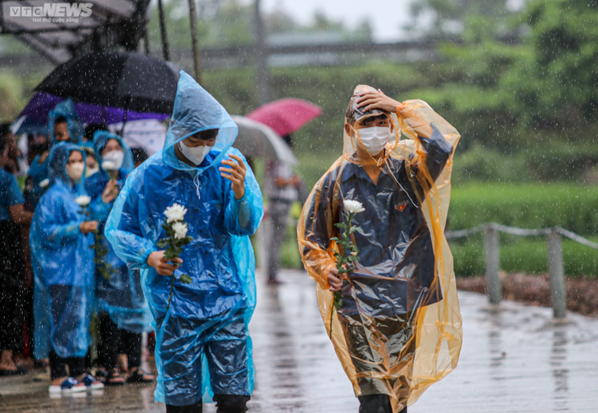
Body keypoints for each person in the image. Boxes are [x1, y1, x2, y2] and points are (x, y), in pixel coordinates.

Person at [297, 85, 463, 413]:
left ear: (392, 125)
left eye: (381, 120)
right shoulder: (334, 182)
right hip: (356, 299)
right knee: (374, 396)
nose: (375, 129)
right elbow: (311, 241)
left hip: (405, 295)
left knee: (397, 397)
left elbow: (440, 145)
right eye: (366, 122)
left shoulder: (408, 170)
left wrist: (400, 107)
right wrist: (328, 270)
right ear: (349, 128)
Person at [106, 72, 264, 413]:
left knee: (235, 399)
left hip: (226, 300)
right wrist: (149, 256)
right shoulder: (147, 177)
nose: (204, 148)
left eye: (210, 140)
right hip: (176, 302)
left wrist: (240, 194)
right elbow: (119, 230)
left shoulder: (226, 166)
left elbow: (244, 225)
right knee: (182, 402)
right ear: (178, 130)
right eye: (197, 139)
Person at [30, 142, 104, 393]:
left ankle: (80, 370)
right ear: (60, 164)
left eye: (79, 160)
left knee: (79, 320)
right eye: (71, 161)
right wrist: (77, 228)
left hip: (80, 270)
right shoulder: (52, 196)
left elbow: (93, 218)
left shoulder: (78, 193)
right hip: (60, 271)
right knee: (60, 320)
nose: (77, 166)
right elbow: (46, 232)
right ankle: (59, 374)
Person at [85, 130, 154, 386]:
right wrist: (103, 200)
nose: (113, 152)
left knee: (134, 307)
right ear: (100, 153)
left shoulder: (133, 180)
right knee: (108, 310)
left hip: (130, 254)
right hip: (105, 255)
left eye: (117, 147)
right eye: (107, 148)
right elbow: (88, 217)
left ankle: (136, 364)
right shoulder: (92, 183)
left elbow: (141, 213)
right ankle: (111, 365)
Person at [0, 134, 33, 376]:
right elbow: (17, 215)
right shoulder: (6, 179)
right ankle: (6, 358)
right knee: (11, 297)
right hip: (6, 241)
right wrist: (42, 216)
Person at [264, 135, 301, 284]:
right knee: (276, 241)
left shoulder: (273, 161)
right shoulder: (278, 162)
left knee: (275, 240)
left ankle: (272, 273)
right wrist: (294, 180)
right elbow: (279, 181)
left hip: (277, 203)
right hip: (280, 203)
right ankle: (272, 274)